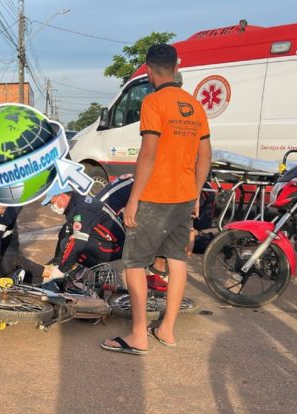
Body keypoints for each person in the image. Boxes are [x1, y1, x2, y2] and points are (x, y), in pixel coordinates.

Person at [102, 44, 212, 355]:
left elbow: (148, 154)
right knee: (177, 261)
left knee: (135, 263)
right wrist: (196, 193)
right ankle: (167, 330)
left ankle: (139, 335)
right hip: (184, 196)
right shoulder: (194, 104)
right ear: (176, 67)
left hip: (155, 195)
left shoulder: (153, 102)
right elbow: (205, 156)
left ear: (149, 70)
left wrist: (134, 199)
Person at [41, 175, 135, 283]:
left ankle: (102, 272)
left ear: (62, 196)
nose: (52, 207)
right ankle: (61, 265)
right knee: (65, 232)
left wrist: (60, 271)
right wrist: (58, 264)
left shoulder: (82, 209)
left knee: (73, 244)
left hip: (115, 247)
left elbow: (78, 243)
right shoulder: (76, 203)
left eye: (52, 203)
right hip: (105, 241)